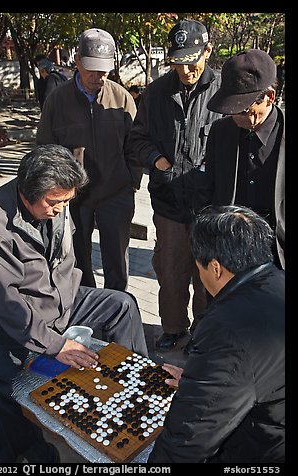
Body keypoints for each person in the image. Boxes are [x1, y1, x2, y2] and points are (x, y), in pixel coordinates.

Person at [0, 144, 148, 463]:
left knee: (121, 304)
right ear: (28, 191)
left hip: (59, 300)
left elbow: (67, 264)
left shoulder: (57, 202)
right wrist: (56, 344)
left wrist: (65, 318)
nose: (61, 209)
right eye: (54, 202)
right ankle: (29, 454)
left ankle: (136, 394)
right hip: (6, 320)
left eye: (67, 201)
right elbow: (9, 305)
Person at [148, 204, 285, 463]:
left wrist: (206, 386)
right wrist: (203, 376)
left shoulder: (227, 326)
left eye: (198, 269)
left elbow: (190, 438)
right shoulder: (278, 280)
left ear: (215, 268)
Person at [129, 19, 223, 352]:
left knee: (209, 276)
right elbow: (136, 139)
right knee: (170, 270)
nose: (185, 68)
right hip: (168, 203)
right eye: (178, 61)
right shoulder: (155, 92)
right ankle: (172, 327)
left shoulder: (224, 92)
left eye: (192, 60)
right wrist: (158, 161)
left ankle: (204, 331)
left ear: (208, 51)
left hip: (210, 207)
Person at [37, 28, 142, 292]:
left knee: (117, 262)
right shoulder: (57, 101)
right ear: (77, 61)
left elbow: (136, 145)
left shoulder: (122, 99)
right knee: (77, 260)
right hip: (73, 197)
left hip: (116, 192)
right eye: (93, 69)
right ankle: (86, 308)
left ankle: (117, 309)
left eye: (105, 70)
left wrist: (132, 182)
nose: (99, 76)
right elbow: (45, 149)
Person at [204, 49, 285, 270]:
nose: (234, 116)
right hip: (229, 250)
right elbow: (208, 188)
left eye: (242, 109)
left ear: (269, 97)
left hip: (278, 254)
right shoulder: (220, 132)